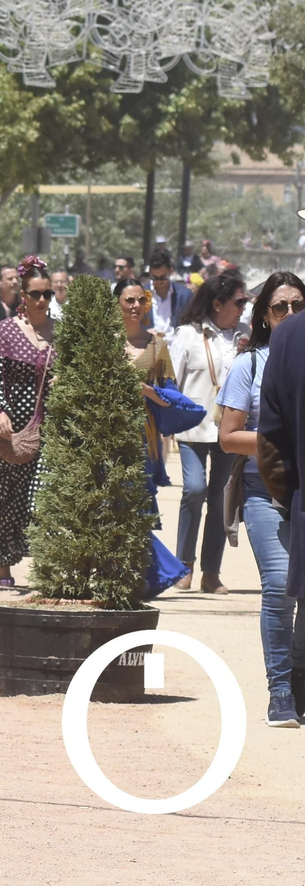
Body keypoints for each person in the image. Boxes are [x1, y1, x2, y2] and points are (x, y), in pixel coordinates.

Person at [216, 271, 305, 726]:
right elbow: (229, 437)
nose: (289, 314)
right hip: (262, 491)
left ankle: (299, 678)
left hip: (302, 491)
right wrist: (282, 441)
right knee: (278, 586)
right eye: (279, 307)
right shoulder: (247, 366)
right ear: (264, 316)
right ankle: (281, 690)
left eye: (297, 305)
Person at [0, 257, 56, 587]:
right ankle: (3, 563)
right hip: (11, 426)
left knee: (43, 494)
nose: (41, 300)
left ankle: (45, 563)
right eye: (35, 294)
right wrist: (1, 412)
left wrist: (62, 380)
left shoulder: (59, 333)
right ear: (23, 295)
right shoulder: (7, 331)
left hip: (49, 425)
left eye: (47, 294)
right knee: (13, 493)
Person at [168, 269, 249, 592]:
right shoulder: (188, 334)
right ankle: (183, 566)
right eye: (239, 301)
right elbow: (172, 380)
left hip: (230, 431)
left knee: (220, 500)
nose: (243, 307)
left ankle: (210, 572)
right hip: (192, 426)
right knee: (195, 489)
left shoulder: (246, 335)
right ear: (218, 303)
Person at [115, 276, 175, 505]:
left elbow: (172, 394)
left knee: (139, 509)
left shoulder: (157, 346)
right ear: (116, 304)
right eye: (129, 300)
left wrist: (148, 391)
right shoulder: (102, 343)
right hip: (105, 434)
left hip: (144, 436)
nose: (136, 305)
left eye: (141, 300)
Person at [146, 248, 192, 335]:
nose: (159, 282)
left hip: (176, 346)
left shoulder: (184, 295)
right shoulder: (141, 294)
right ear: (150, 273)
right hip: (149, 345)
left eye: (163, 278)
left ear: (170, 271)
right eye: (155, 278)